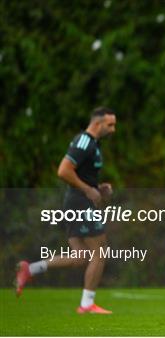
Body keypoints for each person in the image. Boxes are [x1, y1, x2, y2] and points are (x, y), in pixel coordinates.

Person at [15, 107, 117, 314]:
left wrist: (98, 189)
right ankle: (87, 305)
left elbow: (81, 176)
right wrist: (89, 191)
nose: (113, 129)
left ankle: (30, 269)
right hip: (80, 203)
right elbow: (63, 170)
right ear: (97, 124)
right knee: (100, 251)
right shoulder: (84, 142)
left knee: (80, 256)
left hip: (76, 201)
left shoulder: (94, 145)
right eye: (110, 125)